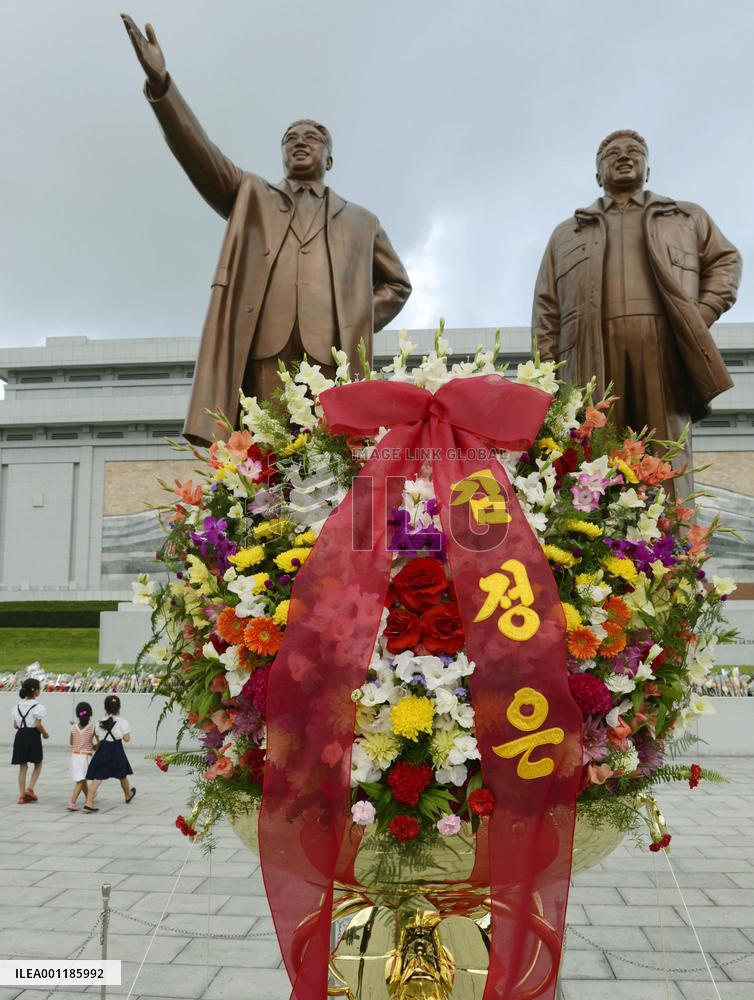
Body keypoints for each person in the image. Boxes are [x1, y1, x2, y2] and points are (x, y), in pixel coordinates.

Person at [120, 16, 412, 446]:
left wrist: (356, 317)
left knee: (331, 456)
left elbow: (397, 284)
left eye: (312, 138)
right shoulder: (250, 195)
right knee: (267, 456)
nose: (299, 141)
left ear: (328, 159)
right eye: (290, 137)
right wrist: (163, 85)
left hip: (332, 356)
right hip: (265, 350)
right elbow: (198, 153)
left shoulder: (361, 221)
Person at [532, 129, 741, 499]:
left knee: (665, 452)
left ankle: (677, 552)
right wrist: (553, 381)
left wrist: (699, 316)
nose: (623, 157)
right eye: (611, 153)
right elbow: (546, 309)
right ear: (598, 175)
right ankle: (593, 549)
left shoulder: (685, 217)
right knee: (593, 456)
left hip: (663, 347)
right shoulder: (567, 233)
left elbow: (726, 262)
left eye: (634, 152)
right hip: (587, 353)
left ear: (648, 168)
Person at [83, 696, 136, 813]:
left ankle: (89, 802)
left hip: (103, 751)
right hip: (117, 751)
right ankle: (128, 794)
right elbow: (127, 739)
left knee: (98, 777)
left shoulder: (99, 723)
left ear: (105, 708)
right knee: (122, 775)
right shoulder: (123, 722)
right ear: (119, 707)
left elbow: (99, 741)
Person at [11, 677, 49, 804]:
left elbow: (15, 725)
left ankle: (22, 796)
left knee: (23, 766)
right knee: (38, 763)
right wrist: (45, 734)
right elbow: (37, 724)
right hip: (32, 735)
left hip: (20, 735)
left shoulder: (17, 706)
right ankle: (30, 788)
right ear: (36, 691)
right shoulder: (39, 707)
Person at [67, 702, 97, 812]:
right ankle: (72, 802)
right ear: (90, 714)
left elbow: (71, 742)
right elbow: (97, 744)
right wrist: (93, 746)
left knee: (81, 779)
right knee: (81, 780)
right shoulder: (92, 728)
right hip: (85, 757)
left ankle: (89, 796)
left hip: (75, 756)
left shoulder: (73, 728)